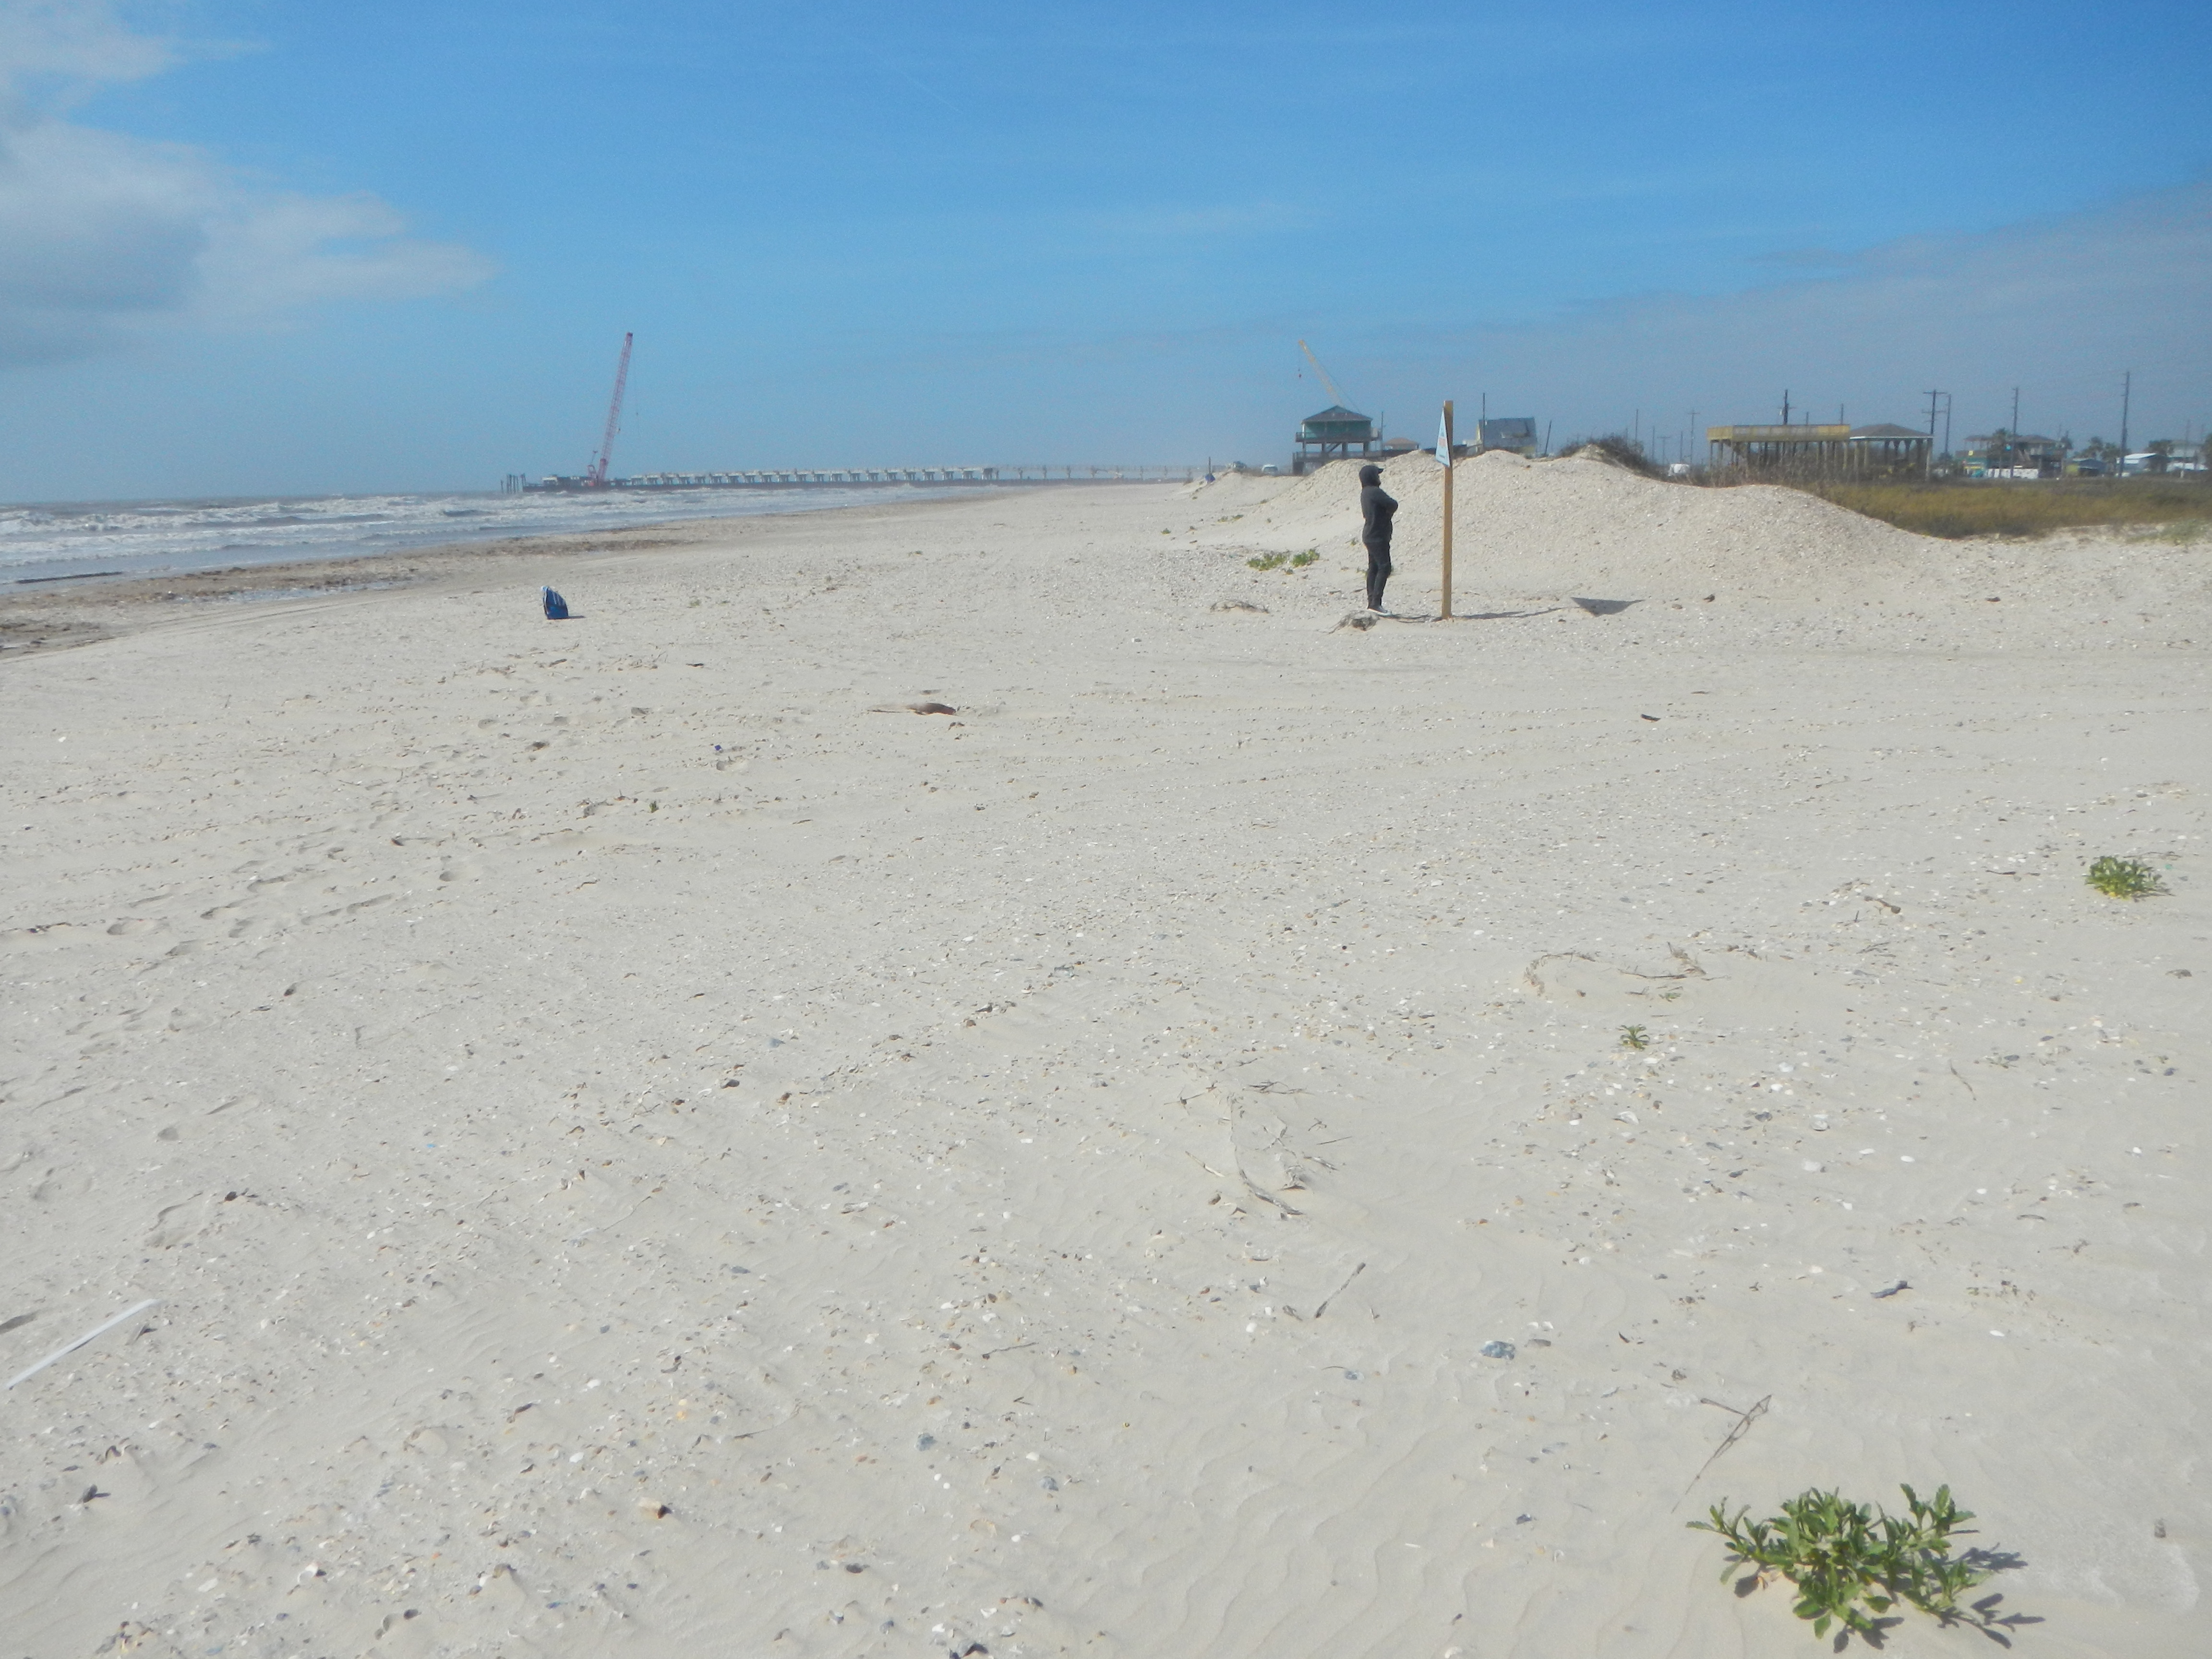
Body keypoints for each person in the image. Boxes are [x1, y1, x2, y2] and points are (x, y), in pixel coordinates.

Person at [1358, 463, 1397, 613]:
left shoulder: (1365, 492)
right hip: (1378, 535)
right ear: (1372, 477)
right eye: (1377, 475)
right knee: (1385, 567)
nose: (1379, 478)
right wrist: (1388, 513)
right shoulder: (1375, 492)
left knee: (1374, 568)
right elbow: (1393, 504)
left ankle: (1372, 602)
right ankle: (1376, 603)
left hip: (1370, 534)